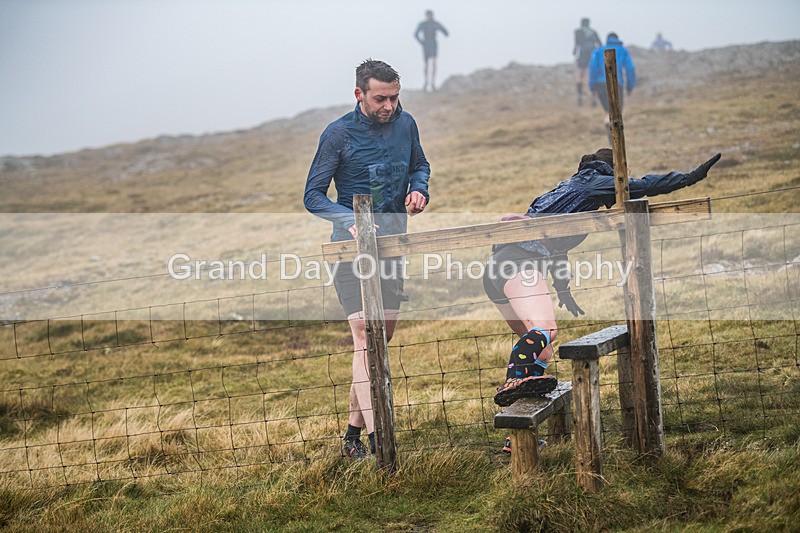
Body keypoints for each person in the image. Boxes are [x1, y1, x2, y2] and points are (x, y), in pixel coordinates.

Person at [483, 148, 721, 449]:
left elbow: (555, 247)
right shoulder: (595, 181)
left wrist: (564, 290)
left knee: (540, 352)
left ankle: (513, 438)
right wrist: (689, 178)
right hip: (519, 261)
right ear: (610, 171)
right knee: (547, 331)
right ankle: (513, 382)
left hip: (497, 270)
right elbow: (641, 185)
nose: (615, 193)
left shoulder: (567, 191)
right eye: (617, 178)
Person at [304, 59, 431, 459]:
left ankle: (351, 437)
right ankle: (381, 442)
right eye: (380, 98)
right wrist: (350, 220)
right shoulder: (338, 134)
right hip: (349, 249)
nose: (388, 106)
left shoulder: (406, 124)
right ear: (359, 94)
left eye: (394, 97)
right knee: (364, 334)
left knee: (381, 339)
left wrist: (419, 190)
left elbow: (420, 165)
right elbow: (313, 195)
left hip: (393, 246)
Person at [414, 10, 449, 92]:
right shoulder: (424, 24)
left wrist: (444, 33)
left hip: (432, 44)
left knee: (433, 63)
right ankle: (426, 82)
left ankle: (432, 82)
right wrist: (421, 42)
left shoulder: (435, 23)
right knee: (426, 64)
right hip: (426, 44)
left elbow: (445, 32)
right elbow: (415, 34)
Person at [573, 17, 602, 106]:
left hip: (582, 54)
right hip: (592, 54)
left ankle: (579, 95)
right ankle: (593, 98)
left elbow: (576, 45)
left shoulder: (578, 32)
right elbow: (600, 44)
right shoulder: (593, 32)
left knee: (580, 75)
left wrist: (575, 52)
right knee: (592, 75)